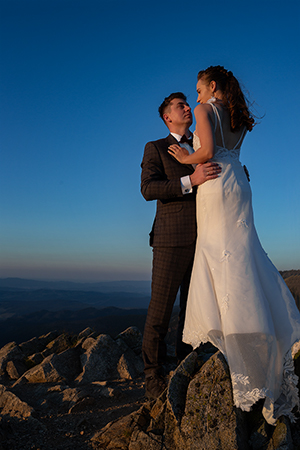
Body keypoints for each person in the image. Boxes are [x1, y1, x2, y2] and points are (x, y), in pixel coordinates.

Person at [168, 66, 300, 425]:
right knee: (244, 256)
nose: (195, 97)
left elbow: (207, 150)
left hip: (214, 186)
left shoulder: (205, 111)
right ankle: (267, 334)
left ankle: (241, 352)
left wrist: (185, 160)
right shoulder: (238, 116)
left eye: (198, 89)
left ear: (212, 87)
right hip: (239, 184)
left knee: (222, 258)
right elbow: (230, 152)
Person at [141, 92, 221, 400]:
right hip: (170, 240)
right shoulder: (156, 148)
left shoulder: (203, 143)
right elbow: (148, 189)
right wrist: (191, 180)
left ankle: (185, 370)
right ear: (167, 117)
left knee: (192, 311)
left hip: (205, 241)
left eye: (188, 103)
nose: (188, 108)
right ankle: (153, 379)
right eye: (180, 106)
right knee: (159, 313)